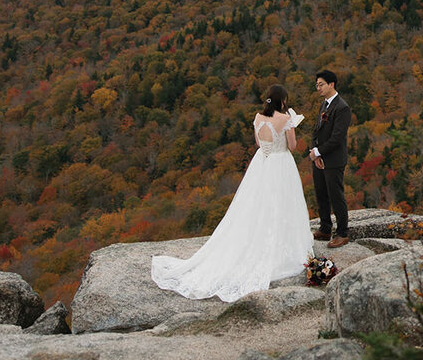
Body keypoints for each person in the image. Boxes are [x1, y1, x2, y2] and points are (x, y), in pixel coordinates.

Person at [150, 84, 314, 301]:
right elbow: (292, 146)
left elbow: (259, 143)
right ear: (283, 101)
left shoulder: (257, 118)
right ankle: (279, 244)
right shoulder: (285, 119)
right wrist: (291, 125)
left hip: (262, 163)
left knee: (255, 205)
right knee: (282, 204)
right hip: (281, 164)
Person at [310, 69, 351, 248]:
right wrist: (314, 150)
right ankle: (325, 227)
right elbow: (317, 130)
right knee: (321, 194)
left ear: (331, 84)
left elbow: (337, 137)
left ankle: (342, 233)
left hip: (333, 159)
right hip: (320, 157)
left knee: (336, 196)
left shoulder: (342, 107)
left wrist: (319, 152)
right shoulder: (324, 105)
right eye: (317, 85)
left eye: (321, 84)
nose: (318, 88)